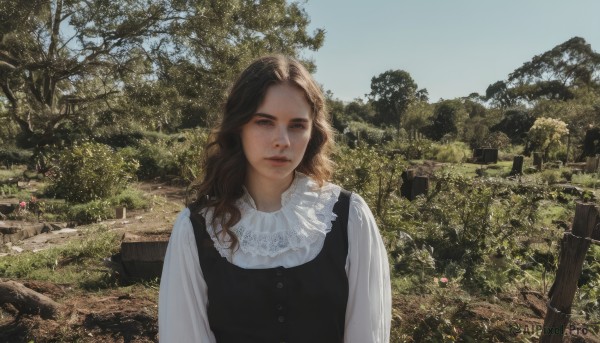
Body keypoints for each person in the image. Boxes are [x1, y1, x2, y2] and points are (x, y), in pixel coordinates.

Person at [158, 55, 391, 342]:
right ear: (238, 127)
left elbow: (367, 334)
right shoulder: (196, 229)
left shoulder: (347, 217)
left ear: (312, 133)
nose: (282, 140)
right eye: (265, 122)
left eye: (296, 125)